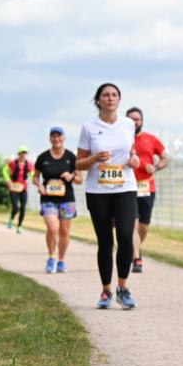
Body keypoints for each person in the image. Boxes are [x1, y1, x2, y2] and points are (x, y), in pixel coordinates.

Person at [76, 83, 140, 309]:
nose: (110, 98)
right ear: (98, 100)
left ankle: (123, 287)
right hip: (98, 191)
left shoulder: (128, 124)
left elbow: (133, 155)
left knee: (125, 236)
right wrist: (94, 160)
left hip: (125, 187)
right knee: (105, 242)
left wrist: (135, 161)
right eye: (105, 95)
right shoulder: (89, 127)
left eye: (114, 95)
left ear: (119, 100)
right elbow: (79, 163)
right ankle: (106, 291)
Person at [125, 106, 169, 273]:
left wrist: (156, 167)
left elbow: (165, 157)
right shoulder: (122, 138)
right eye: (131, 119)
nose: (134, 122)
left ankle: (134, 249)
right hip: (127, 188)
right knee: (132, 225)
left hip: (147, 187)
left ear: (141, 121)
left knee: (143, 227)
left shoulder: (151, 138)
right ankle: (137, 259)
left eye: (137, 119)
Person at [34, 126, 82, 273]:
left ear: (64, 138)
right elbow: (35, 176)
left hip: (67, 199)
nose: (56, 139)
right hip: (48, 199)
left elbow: (80, 179)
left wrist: (72, 176)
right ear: (50, 139)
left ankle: (61, 260)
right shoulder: (43, 157)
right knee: (52, 227)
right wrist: (39, 186)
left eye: (59, 136)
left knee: (64, 232)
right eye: (53, 136)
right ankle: (51, 257)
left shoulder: (71, 157)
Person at [2, 146, 33, 234]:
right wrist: (8, 180)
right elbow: (4, 170)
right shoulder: (13, 163)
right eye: (22, 153)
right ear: (19, 154)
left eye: (25, 153)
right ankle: (11, 219)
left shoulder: (29, 164)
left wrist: (35, 180)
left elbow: (32, 174)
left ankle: (19, 226)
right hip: (13, 187)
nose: (23, 155)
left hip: (23, 188)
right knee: (16, 207)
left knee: (23, 207)